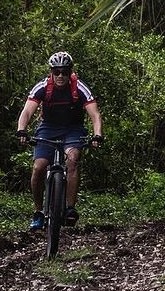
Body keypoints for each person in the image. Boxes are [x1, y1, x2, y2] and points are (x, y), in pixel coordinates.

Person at [17, 51, 102, 231]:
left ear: (70, 72)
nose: (61, 76)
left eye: (64, 71)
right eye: (57, 72)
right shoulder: (43, 87)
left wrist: (97, 135)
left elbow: (95, 115)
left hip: (73, 129)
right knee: (38, 167)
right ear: (51, 72)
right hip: (48, 129)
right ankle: (38, 212)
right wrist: (21, 130)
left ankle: (70, 208)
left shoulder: (79, 87)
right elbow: (27, 111)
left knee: (72, 160)